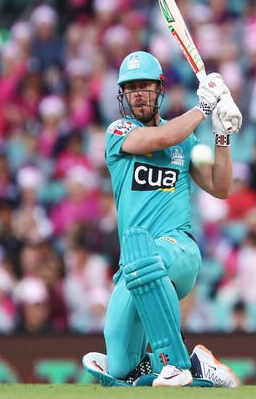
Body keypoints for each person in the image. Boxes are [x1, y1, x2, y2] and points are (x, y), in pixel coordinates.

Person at [82, 51, 242, 388]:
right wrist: (204, 108)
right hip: (135, 265)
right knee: (124, 366)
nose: (139, 93)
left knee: (146, 254)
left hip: (178, 250)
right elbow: (162, 139)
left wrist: (222, 135)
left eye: (145, 86)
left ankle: (177, 364)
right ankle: (198, 364)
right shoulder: (119, 132)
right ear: (123, 95)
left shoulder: (187, 140)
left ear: (160, 90)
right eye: (131, 88)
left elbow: (221, 187)